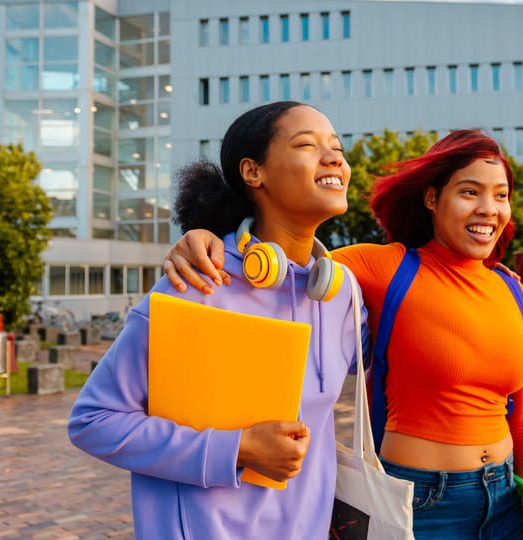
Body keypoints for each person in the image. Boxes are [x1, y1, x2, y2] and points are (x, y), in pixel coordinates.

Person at [164, 129, 523, 539]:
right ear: (431, 198)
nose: (488, 209)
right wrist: (209, 237)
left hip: (507, 501)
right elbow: (279, 262)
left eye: (500, 196)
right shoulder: (386, 268)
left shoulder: (511, 290)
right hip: (423, 504)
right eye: (469, 192)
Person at [68, 102, 367, 540]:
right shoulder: (197, 280)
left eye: (337, 148)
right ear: (253, 172)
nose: (334, 158)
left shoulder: (342, 294)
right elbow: (94, 420)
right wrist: (237, 448)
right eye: (306, 145)